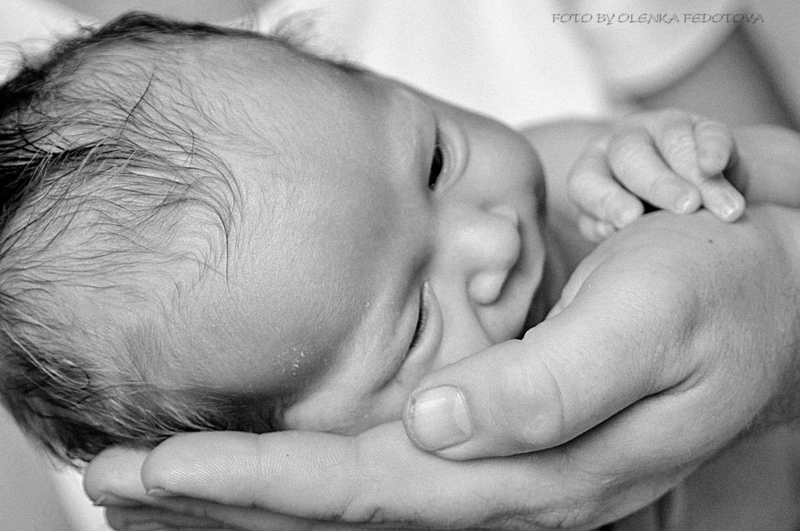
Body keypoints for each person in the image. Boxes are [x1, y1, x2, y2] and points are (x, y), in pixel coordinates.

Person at [1, 12, 799, 529]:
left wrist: (690, 170)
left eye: (436, 160)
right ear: (281, 461)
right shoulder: (402, 502)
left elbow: (770, 177)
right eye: (416, 319)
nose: (491, 237)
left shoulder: (577, 181)